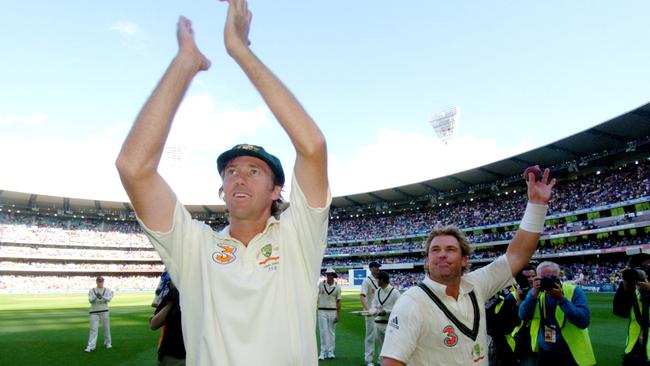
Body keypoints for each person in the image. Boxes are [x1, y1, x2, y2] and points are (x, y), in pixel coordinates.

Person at [115, 0, 329, 364]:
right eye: (231, 171)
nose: (239, 177)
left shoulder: (298, 237)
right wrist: (184, 65)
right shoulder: (194, 246)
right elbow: (133, 167)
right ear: (222, 188)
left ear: (277, 190)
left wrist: (240, 50)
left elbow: (312, 146)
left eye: (253, 170)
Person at [380, 167, 556, 366]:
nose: (442, 254)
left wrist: (537, 204)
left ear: (464, 259)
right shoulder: (411, 302)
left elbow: (517, 255)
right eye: (435, 250)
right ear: (427, 261)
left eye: (450, 249)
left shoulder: (476, 285)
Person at [518, 261, 595, 366]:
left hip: (570, 350)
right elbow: (523, 315)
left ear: (559, 276)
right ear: (537, 278)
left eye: (552, 277)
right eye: (543, 278)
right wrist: (534, 295)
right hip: (545, 350)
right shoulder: (535, 292)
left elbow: (583, 321)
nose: (548, 281)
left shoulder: (574, 291)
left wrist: (562, 299)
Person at [486, 262, 537, 366]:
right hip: (520, 344)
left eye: (533, 276)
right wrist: (518, 305)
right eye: (527, 277)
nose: (531, 279)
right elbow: (505, 325)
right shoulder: (511, 298)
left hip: (539, 342)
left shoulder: (543, 294)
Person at [613, 251, 650, 365]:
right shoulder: (632, 287)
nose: (644, 271)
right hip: (635, 346)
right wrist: (625, 284)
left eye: (647, 266)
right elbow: (620, 311)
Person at [151, 279, 186, 366]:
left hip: (183, 355)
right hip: (174, 356)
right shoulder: (175, 291)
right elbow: (154, 324)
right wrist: (171, 303)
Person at [369, 271, 401, 366]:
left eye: (378, 279)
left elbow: (399, 309)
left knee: (390, 347)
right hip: (378, 323)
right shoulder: (378, 291)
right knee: (380, 346)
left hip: (390, 324)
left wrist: (385, 311)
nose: (376, 281)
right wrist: (372, 311)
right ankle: (381, 362)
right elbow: (374, 304)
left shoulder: (395, 292)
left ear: (382, 280)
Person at [317, 268, 342, 360]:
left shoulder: (338, 287)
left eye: (331, 274)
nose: (329, 276)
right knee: (323, 332)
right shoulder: (321, 284)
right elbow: (316, 296)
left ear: (334, 276)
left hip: (332, 311)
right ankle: (323, 352)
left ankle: (331, 352)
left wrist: (338, 315)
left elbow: (339, 302)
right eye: (328, 274)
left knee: (331, 332)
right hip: (322, 310)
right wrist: (316, 308)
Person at [360, 261, 382, 366]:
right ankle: (368, 359)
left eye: (378, 267)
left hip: (381, 313)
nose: (378, 268)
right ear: (371, 268)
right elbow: (362, 296)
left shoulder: (381, 279)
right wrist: (368, 310)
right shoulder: (367, 281)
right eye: (376, 267)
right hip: (370, 314)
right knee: (370, 336)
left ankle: (380, 358)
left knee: (381, 337)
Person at [84, 276, 113, 352]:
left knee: (106, 328)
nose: (100, 283)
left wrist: (102, 296)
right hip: (94, 312)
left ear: (103, 282)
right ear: (96, 282)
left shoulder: (108, 290)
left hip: (104, 311)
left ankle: (108, 343)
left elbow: (109, 299)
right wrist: (96, 297)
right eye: (99, 281)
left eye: (101, 281)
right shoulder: (92, 290)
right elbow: (90, 301)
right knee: (93, 329)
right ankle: (91, 346)